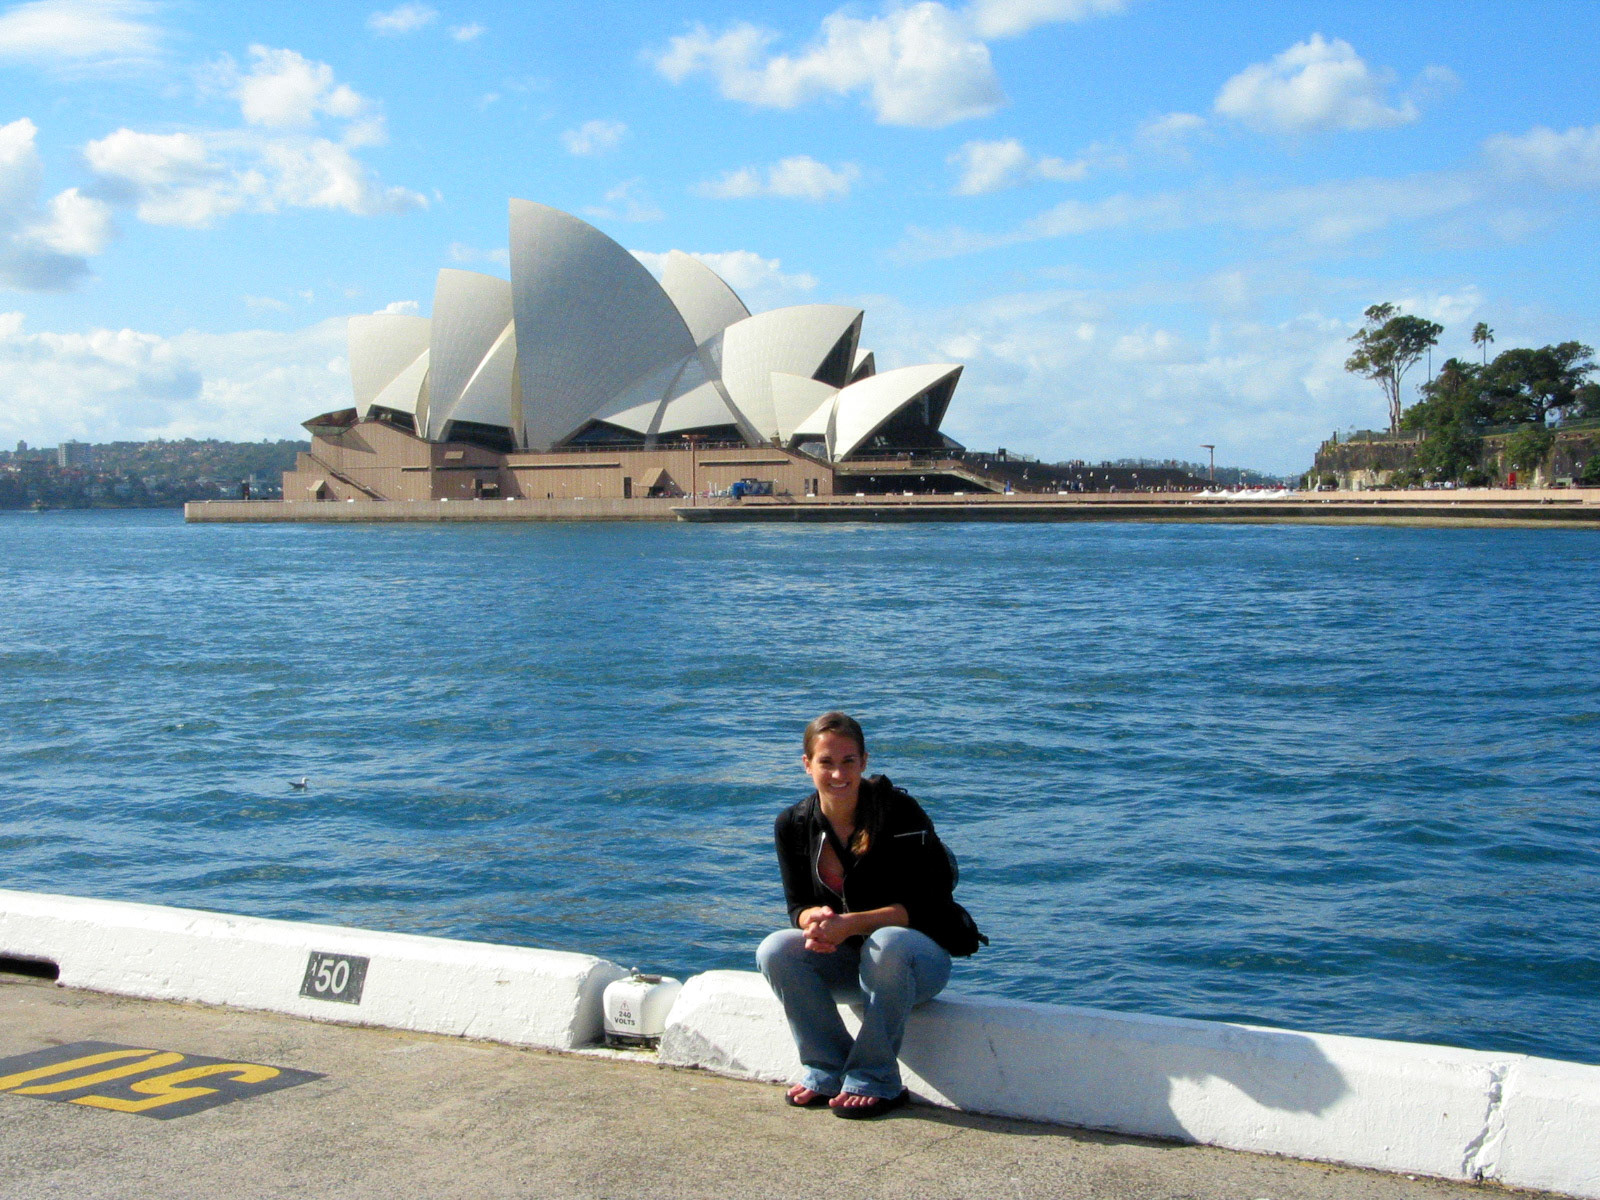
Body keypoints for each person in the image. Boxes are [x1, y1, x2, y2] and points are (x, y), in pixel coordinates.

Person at [757, 711, 984, 1120]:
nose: (838, 773)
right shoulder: (792, 824)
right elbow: (796, 906)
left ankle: (876, 1078)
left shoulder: (900, 813)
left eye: (848, 761)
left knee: (888, 942)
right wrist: (815, 920)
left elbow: (927, 906)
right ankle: (826, 1068)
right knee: (775, 949)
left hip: (914, 964)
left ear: (864, 762)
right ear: (807, 764)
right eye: (826, 762)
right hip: (850, 964)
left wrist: (850, 925)